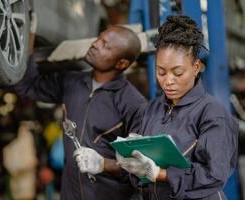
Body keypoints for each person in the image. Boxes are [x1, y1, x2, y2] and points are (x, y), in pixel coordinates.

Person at [12, 25, 146, 200]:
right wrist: (28, 33)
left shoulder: (133, 103)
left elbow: (143, 168)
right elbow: (27, 86)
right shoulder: (71, 83)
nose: (96, 44)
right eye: (99, 38)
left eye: (105, 46)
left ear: (121, 63)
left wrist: (104, 164)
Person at [116, 15, 238, 199]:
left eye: (178, 72)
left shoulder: (212, 114)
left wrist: (159, 173)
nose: (168, 81)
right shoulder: (154, 108)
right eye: (161, 71)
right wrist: (132, 157)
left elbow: (213, 175)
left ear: (196, 67)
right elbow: (141, 175)